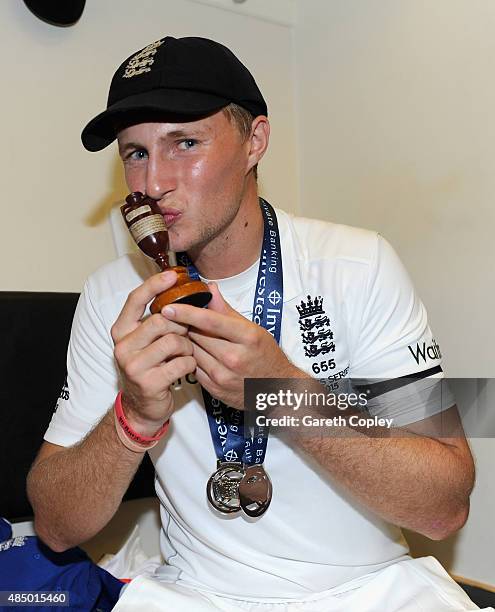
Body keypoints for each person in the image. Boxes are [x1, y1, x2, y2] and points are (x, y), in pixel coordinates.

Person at [26, 36, 489, 611]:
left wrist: (283, 394)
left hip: (370, 590)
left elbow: (446, 505)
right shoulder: (112, 296)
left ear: (255, 141)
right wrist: (133, 419)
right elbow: (55, 526)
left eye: (185, 142)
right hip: (199, 594)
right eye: (135, 153)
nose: (152, 182)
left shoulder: (357, 264)